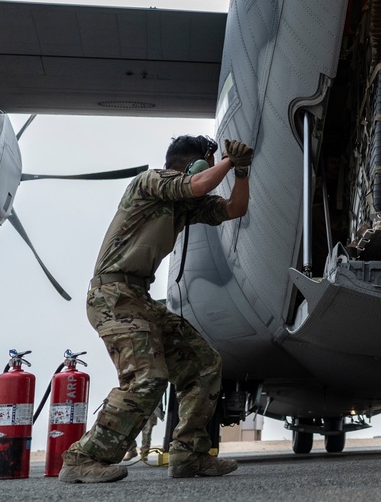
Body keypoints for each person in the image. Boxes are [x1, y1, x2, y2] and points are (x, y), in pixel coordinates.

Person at [58, 135, 253, 484]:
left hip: (138, 297)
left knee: (203, 362)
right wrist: (226, 161)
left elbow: (235, 208)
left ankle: (188, 454)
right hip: (112, 293)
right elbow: (198, 184)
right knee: (147, 376)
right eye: (206, 163)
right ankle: (83, 458)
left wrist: (241, 172)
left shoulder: (184, 204)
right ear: (192, 164)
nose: (211, 170)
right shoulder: (151, 182)